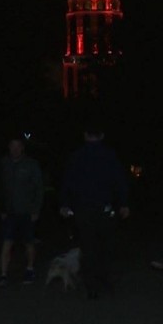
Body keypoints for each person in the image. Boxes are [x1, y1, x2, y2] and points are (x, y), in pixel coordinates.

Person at [59, 119, 129, 299]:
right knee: (105, 245)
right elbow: (119, 181)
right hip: (105, 208)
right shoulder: (110, 155)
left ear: (85, 136)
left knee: (88, 246)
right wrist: (123, 203)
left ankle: (91, 285)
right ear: (102, 136)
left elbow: (67, 182)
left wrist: (65, 204)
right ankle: (103, 279)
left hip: (83, 209)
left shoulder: (76, 156)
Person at [0, 134, 44, 287]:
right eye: (12, 146)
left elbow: (39, 188)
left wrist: (36, 209)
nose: (15, 149)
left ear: (22, 147)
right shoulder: (3, 164)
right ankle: (3, 274)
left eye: (18, 146)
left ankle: (30, 269)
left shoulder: (31, 164)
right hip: (9, 211)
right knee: (7, 242)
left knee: (28, 242)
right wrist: (0, 207)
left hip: (26, 211)